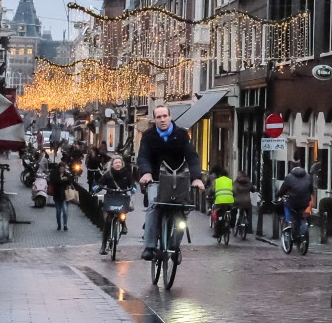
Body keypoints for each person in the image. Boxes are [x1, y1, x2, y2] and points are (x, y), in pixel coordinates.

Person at [136, 104, 205, 260]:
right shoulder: (148, 136)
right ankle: (150, 246)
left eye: (164, 116)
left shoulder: (181, 135)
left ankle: (175, 247)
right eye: (158, 117)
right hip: (155, 179)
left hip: (178, 180)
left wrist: (196, 178)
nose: (162, 120)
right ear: (154, 119)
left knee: (181, 211)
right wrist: (146, 173)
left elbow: (192, 157)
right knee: (154, 206)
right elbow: (143, 156)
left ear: (170, 116)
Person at [94, 155, 135, 255]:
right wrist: (96, 188)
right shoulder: (108, 174)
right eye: (116, 163)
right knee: (108, 220)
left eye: (119, 163)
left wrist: (133, 188)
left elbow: (132, 184)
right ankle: (103, 246)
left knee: (122, 214)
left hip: (122, 198)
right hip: (111, 199)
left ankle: (123, 224)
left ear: (122, 164)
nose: (118, 164)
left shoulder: (126, 174)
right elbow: (101, 184)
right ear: (112, 164)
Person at [276, 164, 313, 238]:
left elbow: (283, 190)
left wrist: (277, 195)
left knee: (287, 205)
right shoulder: (308, 177)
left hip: (293, 202)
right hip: (305, 202)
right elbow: (311, 190)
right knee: (302, 212)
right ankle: (302, 229)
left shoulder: (289, 177)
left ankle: (288, 221)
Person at [209, 167, 235, 238]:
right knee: (232, 210)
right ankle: (231, 224)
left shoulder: (216, 181)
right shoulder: (230, 180)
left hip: (220, 201)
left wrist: (210, 195)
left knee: (218, 215)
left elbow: (212, 190)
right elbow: (233, 190)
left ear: (220, 175)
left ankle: (217, 233)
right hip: (229, 201)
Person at [51, 161, 73, 231]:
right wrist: (62, 180)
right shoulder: (55, 175)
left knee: (65, 211)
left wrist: (64, 180)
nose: (62, 170)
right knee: (58, 211)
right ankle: (59, 225)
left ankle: (65, 225)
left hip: (65, 195)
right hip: (57, 196)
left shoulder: (67, 175)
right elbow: (54, 182)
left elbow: (70, 181)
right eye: (61, 169)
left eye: (63, 169)